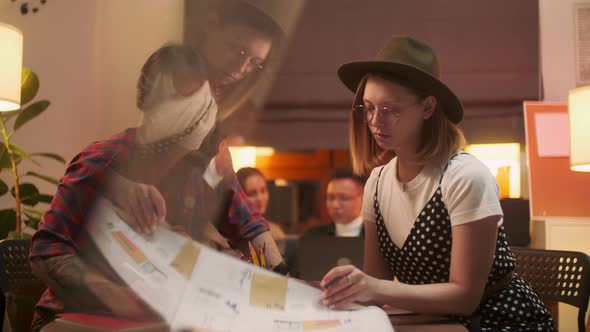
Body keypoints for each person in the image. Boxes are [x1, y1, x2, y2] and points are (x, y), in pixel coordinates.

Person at [29, 44, 284, 332]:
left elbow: (248, 228)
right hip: (76, 317)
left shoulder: (208, 168)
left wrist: (285, 277)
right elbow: (46, 250)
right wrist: (111, 293)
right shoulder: (101, 161)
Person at [319, 36, 556, 331]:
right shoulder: (377, 184)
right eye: (368, 108)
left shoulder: (465, 177)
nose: (375, 122)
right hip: (435, 324)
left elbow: (464, 297)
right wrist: (335, 294)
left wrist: (373, 288)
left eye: (390, 109)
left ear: (428, 108)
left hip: (500, 323)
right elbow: (374, 288)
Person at [302, 169, 365, 238]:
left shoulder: (375, 235)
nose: (335, 205)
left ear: (363, 198)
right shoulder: (312, 236)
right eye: (330, 198)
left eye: (344, 198)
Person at [236, 167, 286, 240]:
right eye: (252, 193)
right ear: (239, 197)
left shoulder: (276, 233)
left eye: (263, 191)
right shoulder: (227, 236)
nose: (260, 198)